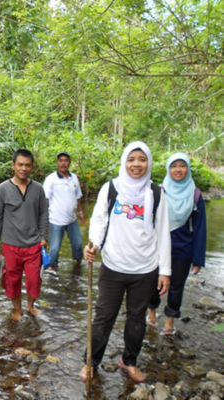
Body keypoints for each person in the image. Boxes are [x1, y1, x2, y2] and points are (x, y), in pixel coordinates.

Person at [80, 142, 171, 383]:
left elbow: (163, 233)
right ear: (124, 162)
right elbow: (99, 220)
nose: (136, 164)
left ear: (148, 162)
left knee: (136, 319)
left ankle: (129, 361)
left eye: (142, 159)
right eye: (132, 159)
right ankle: (91, 362)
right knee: (104, 317)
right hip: (113, 266)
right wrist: (94, 244)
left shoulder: (157, 193)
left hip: (146, 268)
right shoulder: (111, 188)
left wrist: (165, 270)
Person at [147, 152, 206, 336]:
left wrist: (197, 259)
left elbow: (200, 229)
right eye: (174, 166)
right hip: (157, 247)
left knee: (177, 285)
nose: (178, 170)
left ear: (188, 169)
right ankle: (151, 311)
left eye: (182, 165)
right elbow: (149, 222)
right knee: (153, 282)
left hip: (183, 249)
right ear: (168, 169)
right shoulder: (159, 192)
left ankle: (170, 319)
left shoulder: (195, 195)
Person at [0, 149, 49, 321]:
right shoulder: (2, 190)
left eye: (27, 165)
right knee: (12, 280)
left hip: (33, 245)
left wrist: (44, 236)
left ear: (32, 167)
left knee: (34, 280)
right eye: (20, 164)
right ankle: (17, 309)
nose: (23, 168)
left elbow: (43, 214)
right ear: (13, 165)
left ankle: (30, 306)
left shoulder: (38, 189)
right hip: (10, 245)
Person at [42, 152, 85, 270]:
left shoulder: (74, 178)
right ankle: (53, 271)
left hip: (72, 219)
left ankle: (78, 267)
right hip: (55, 220)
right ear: (57, 162)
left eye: (66, 160)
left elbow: (78, 197)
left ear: (69, 163)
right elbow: (45, 200)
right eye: (61, 160)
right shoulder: (51, 179)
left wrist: (81, 213)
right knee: (54, 249)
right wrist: (43, 220)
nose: (63, 163)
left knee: (78, 244)